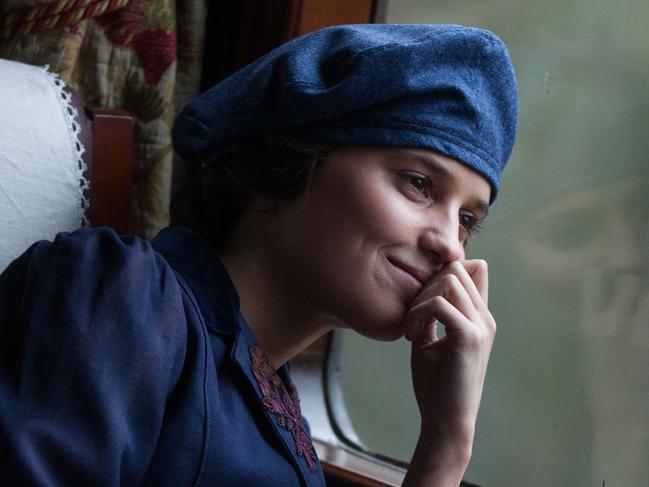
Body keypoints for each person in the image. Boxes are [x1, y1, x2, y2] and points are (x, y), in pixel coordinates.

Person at [0, 23, 517, 486]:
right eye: (418, 183)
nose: (450, 244)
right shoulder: (124, 294)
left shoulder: (281, 415)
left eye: (468, 220)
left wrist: (447, 443)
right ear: (284, 167)